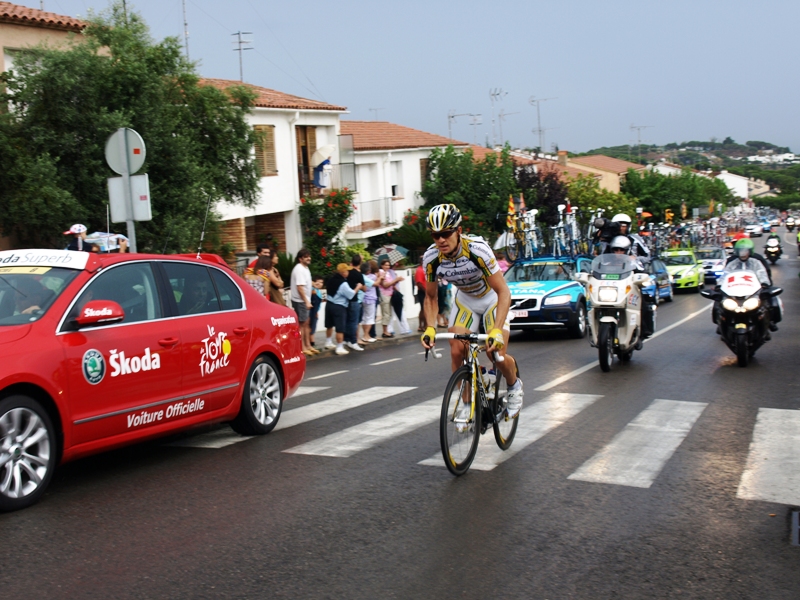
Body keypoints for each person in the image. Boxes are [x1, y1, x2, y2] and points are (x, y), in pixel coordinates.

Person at [420, 203, 524, 419]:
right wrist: (430, 327)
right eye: (435, 235)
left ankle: (514, 386)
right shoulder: (431, 257)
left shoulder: (477, 250)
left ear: (458, 231)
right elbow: (431, 296)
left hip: (492, 298)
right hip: (465, 300)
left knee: (495, 353)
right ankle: (467, 404)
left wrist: (495, 329)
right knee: (457, 350)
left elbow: (503, 292)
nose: (440, 240)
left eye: (446, 233)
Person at [326, 263, 364, 355]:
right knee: (340, 328)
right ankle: (339, 347)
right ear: (343, 272)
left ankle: (328, 342)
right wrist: (358, 287)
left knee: (329, 325)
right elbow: (351, 295)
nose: (348, 272)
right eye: (347, 271)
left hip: (329, 304)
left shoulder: (331, 279)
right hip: (339, 306)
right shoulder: (343, 284)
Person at [290, 249, 316, 355]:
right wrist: (306, 302)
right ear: (300, 259)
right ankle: (302, 347)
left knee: (306, 323)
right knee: (302, 324)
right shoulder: (299, 269)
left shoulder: (305, 268)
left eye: (309, 256)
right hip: (301, 300)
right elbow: (300, 288)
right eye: (306, 257)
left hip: (303, 300)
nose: (308, 258)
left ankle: (308, 345)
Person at [378, 258, 405, 338]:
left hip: (390, 294)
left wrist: (397, 281)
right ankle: (385, 331)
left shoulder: (388, 273)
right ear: (382, 265)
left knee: (389, 314)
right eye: (385, 265)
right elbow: (385, 285)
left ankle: (387, 330)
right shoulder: (381, 273)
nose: (387, 266)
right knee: (386, 313)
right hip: (384, 294)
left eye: (388, 265)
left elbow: (391, 284)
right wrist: (395, 280)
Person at [344, 254, 365, 352]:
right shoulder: (358, 274)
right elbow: (364, 288)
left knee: (347, 321)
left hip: (345, 300)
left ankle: (346, 339)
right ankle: (353, 341)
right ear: (360, 263)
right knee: (354, 322)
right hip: (354, 299)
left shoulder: (347, 272)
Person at [360, 262, 379, 343]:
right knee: (370, 318)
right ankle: (366, 335)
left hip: (363, 298)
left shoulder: (361, 276)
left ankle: (366, 335)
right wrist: (380, 277)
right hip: (370, 299)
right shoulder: (372, 277)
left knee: (364, 318)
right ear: (368, 270)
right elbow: (376, 284)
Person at [309, 275, 324, 347]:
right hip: (312, 311)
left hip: (315, 311)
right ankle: (311, 341)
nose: (320, 284)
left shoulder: (318, 291)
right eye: (318, 282)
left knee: (313, 326)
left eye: (322, 282)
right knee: (311, 326)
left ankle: (312, 340)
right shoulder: (313, 290)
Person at [414, 262, 427, 332]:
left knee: (424, 309)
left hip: (425, 291)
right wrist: (426, 292)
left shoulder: (425, 269)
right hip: (422, 292)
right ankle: (422, 326)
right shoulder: (419, 270)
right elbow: (419, 283)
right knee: (424, 309)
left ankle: (423, 325)